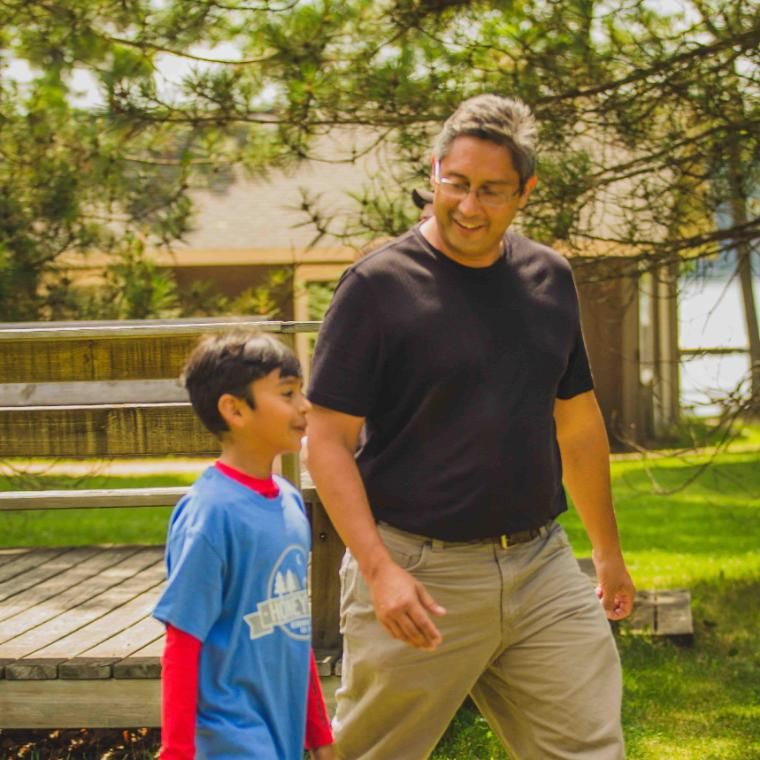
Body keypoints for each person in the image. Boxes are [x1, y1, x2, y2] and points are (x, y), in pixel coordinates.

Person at [306, 93, 635, 760]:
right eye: (455, 184)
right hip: (419, 573)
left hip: (541, 565)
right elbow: (326, 442)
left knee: (589, 748)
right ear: (433, 172)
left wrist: (606, 551)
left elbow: (576, 420)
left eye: (491, 190)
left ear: (525, 191)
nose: (469, 206)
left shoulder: (549, 277)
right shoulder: (377, 287)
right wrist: (380, 571)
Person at [153, 332, 335, 760]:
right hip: (228, 737)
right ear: (234, 409)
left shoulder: (290, 502)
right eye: (288, 393)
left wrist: (319, 737)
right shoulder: (210, 513)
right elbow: (182, 641)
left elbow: (294, 625)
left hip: (281, 733)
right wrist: (177, 751)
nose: (304, 406)